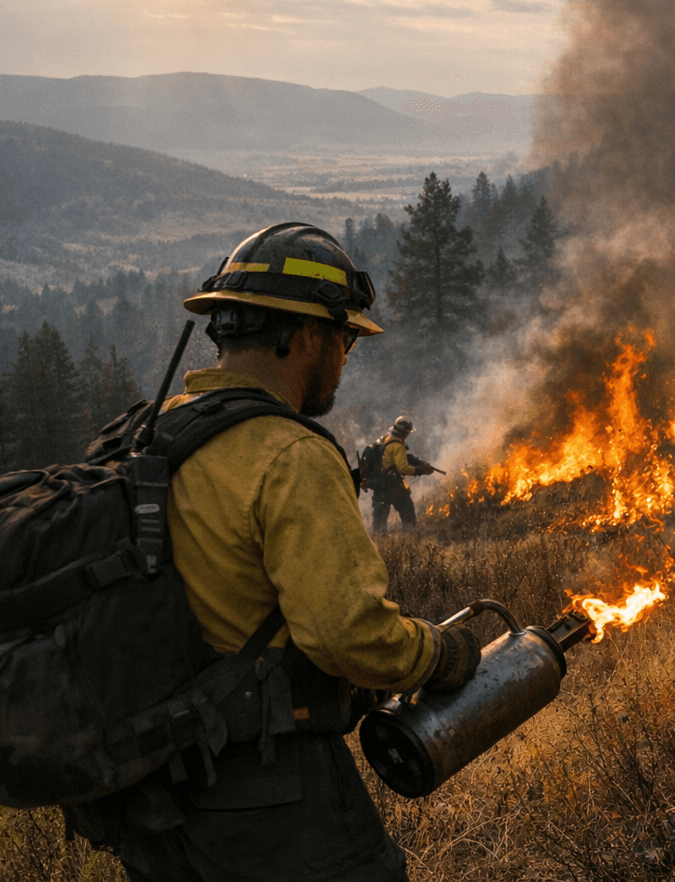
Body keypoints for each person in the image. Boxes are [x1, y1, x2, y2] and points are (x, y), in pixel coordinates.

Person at [65, 222, 480, 882]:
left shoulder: (150, 431)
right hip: (261, 790)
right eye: (345, 339)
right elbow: (349, 636)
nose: (346, 357)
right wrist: (441, 652)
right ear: (308, 334)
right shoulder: (290, 455)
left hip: (150, 795)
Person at [370, 414, 438, 533]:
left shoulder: (385, 439)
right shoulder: (397, 446)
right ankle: (410, 538)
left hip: (378, 485)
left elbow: (391, 459)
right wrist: (420, 470)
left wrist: (416, 461)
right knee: (408, 512)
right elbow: (402, 468)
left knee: (379, 523)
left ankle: (379, 544)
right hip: (391, 486)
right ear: (405, 432)